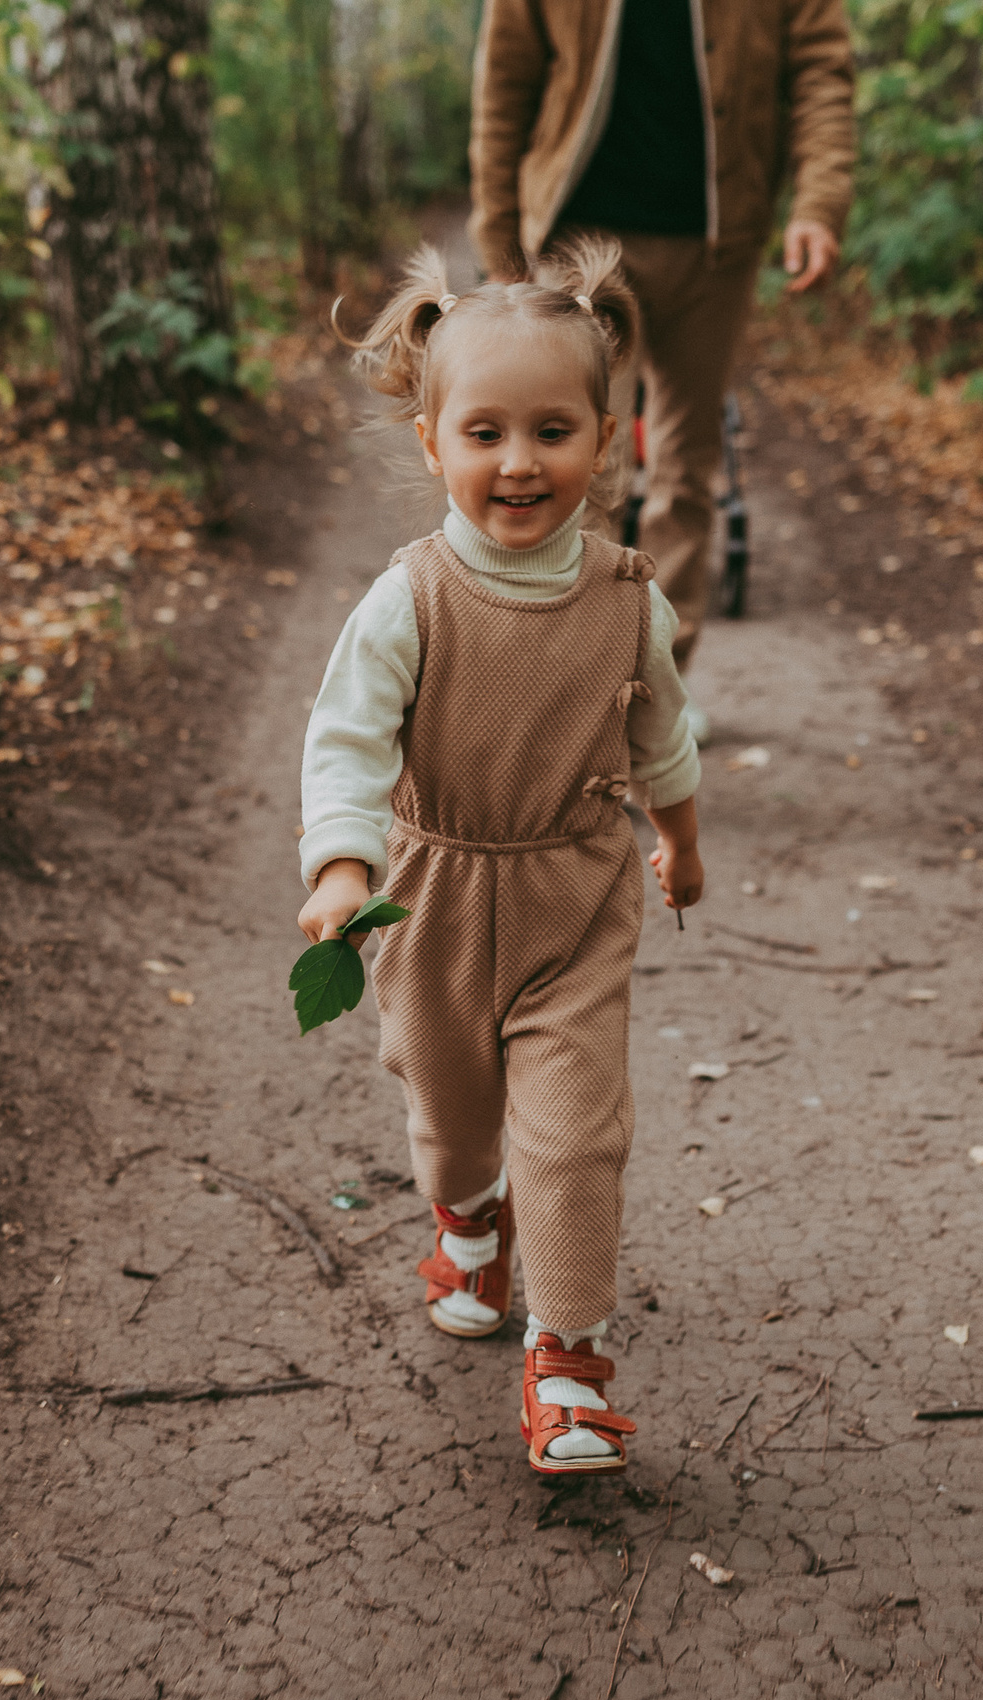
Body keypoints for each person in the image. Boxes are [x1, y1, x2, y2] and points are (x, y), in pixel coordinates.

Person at [297, 240, 703, 1475]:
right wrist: (340, 866)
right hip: (430, 897)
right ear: (433, 446)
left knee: (575, 1133)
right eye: (484, 433)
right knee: (453, 1106)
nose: (518, 461)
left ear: (606, 436)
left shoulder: (631, 602)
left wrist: (678, 838)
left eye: (551, 430)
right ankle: (466, 1216)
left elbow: (661, 732)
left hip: (573, 895)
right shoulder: (408, 600)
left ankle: (568, 1365)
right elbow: (347, 738)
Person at [470, 0, 855, 689]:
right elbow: (506, 75)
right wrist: (499, 232)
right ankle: (572, 690)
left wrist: (818, 205)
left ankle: (656, 691)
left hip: (717, 241)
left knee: (686, 463)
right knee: (582, 466)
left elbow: (822, 70)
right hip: (579, 234)